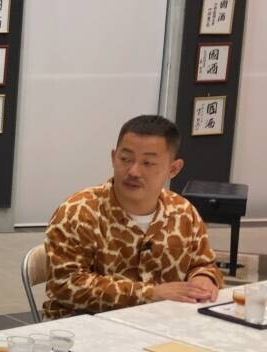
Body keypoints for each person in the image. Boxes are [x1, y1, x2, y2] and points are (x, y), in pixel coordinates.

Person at [42, 114, 222, 319]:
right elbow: (66, 285)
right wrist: (150, 294)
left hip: (164, 323)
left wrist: (204, 279)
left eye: (148, 163)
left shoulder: (183, 212)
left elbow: (204, 264)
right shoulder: (79, 212)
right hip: (85, 327)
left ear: (173, 169)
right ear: (113, 157)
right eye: (125, 159)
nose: (133, 171)